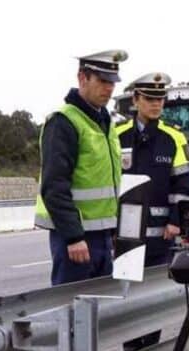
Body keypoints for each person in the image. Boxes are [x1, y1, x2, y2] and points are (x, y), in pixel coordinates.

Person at [34, 49, 128, 285]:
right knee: (72, 304)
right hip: (76, 239)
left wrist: (113, 229)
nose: (109, 88)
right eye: (102, 81)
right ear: (82, 78)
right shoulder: (63, 121)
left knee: (103, 303)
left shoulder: (104, 121)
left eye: (112, 82)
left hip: (103, 235)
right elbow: (54, 186)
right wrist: (73, 237)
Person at [115, 72, 189, 266]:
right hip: (123, 231)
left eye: (160, 99)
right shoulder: (116, 134)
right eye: (149, 99)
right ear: (135, 99)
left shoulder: (174, 137)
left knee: (158, 281)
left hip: (162, 234)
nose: (156, 104)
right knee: (124, 282)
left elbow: (184, 183)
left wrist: (175, 221)